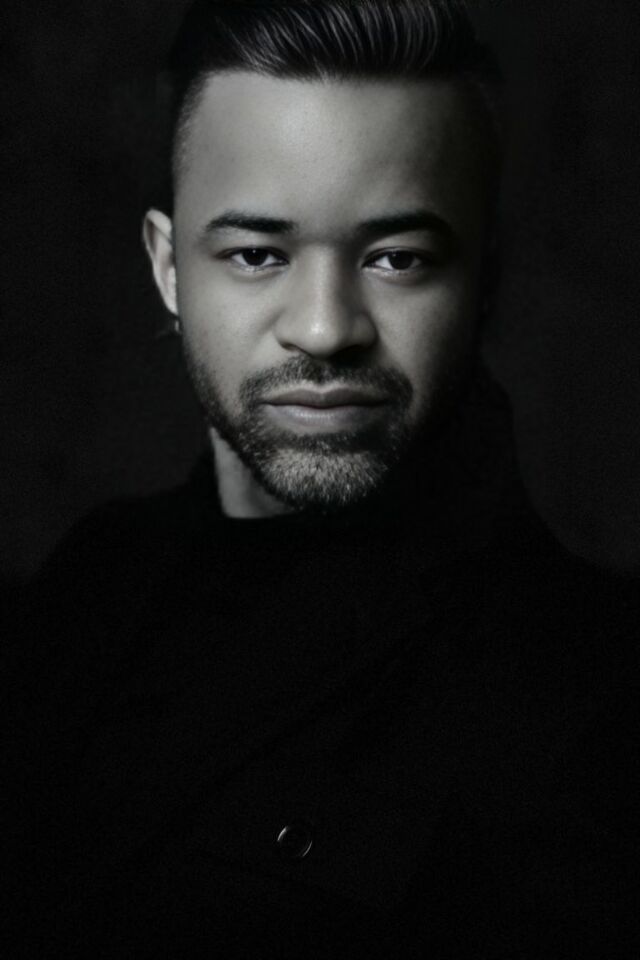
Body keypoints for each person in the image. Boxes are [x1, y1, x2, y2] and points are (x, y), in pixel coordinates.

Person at [3, 1, 637, 957]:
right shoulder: (88, 584)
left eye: (398, 258)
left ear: (485, 280)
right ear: (170, 270)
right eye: (257, 254)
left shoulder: (594, 691)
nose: (326, 328)